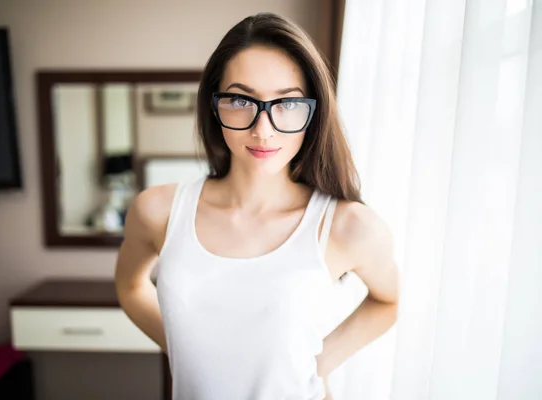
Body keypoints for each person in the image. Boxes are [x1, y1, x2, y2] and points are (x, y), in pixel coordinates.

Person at [115, 12, 399, 400]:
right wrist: (188, 352)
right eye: (239, 99)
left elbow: (388, 301)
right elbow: (130, 287)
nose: (262, 129)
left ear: (313, 113)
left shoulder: (347, 226)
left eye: (287, 103)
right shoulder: (158, 211)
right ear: (214, 105)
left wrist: (318, 362)